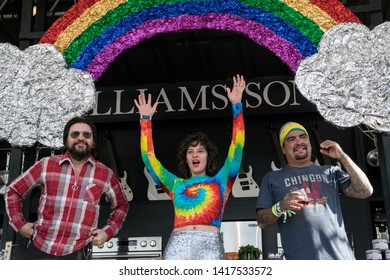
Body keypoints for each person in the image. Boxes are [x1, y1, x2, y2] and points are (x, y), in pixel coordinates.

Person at [134, 74, 245, 260]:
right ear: (185, 158)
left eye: (200, 150)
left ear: (207, 156)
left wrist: (237, 106)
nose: (195, 154)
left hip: (210, 249)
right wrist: (145, 120)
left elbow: (237, 148)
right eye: (190, 151)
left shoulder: (220, 181)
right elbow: (149, 159)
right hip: (178, 248)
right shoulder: (175, 184)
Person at [5, 116, 129, 260]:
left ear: (93, 142)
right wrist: (20, 224)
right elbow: (13, 191)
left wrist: (108, 232)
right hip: (39, 249)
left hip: (77, 253)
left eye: (86, 135)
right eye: (75, 134)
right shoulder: (46, 165)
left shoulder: (105, 174)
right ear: (66, 140)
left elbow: (122, 205)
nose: (81, 138)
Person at [256, 121, 373, 260]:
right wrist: (280, 207)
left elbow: (365, 191)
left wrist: (342, 156)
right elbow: (262, 221)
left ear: (310, 144)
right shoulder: (272, 178)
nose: (299, 141)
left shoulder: (330, 171)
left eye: (303, 136)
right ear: (283, 148)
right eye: (291, 139)